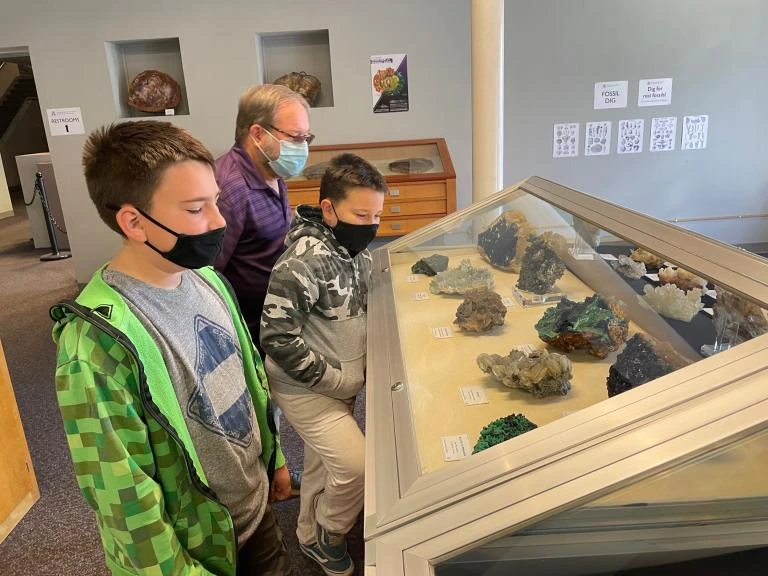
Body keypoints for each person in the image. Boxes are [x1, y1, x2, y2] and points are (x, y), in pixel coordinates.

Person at [51, 120, 291, 575]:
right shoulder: (94, 346)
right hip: (192, 553)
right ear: (134, 222)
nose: (220, 222)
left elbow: (249, 382)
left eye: (216, 202)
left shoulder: (210, 280)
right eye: (197, 209)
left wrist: (274, 459)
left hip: (251, 512)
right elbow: (124, 500)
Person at [260, 153, 387, 576]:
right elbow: (276, 337)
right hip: (308, 389)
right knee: (356, 466)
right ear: (329, 209)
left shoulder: (355, 253)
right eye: (360, 214)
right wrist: (334, 379)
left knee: (322, 461)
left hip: (342, 385)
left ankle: (307, 534)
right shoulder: (303, 261)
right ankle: (331, 534)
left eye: (376, 215)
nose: (370, 225)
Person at [214, 84, 313, 352]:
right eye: (295, 137)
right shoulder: (229, 190)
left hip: (274, 320)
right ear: (257, 133)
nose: (302, 147)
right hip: (247, 331)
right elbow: (206, 276)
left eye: (306, 138)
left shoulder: (273, 170)